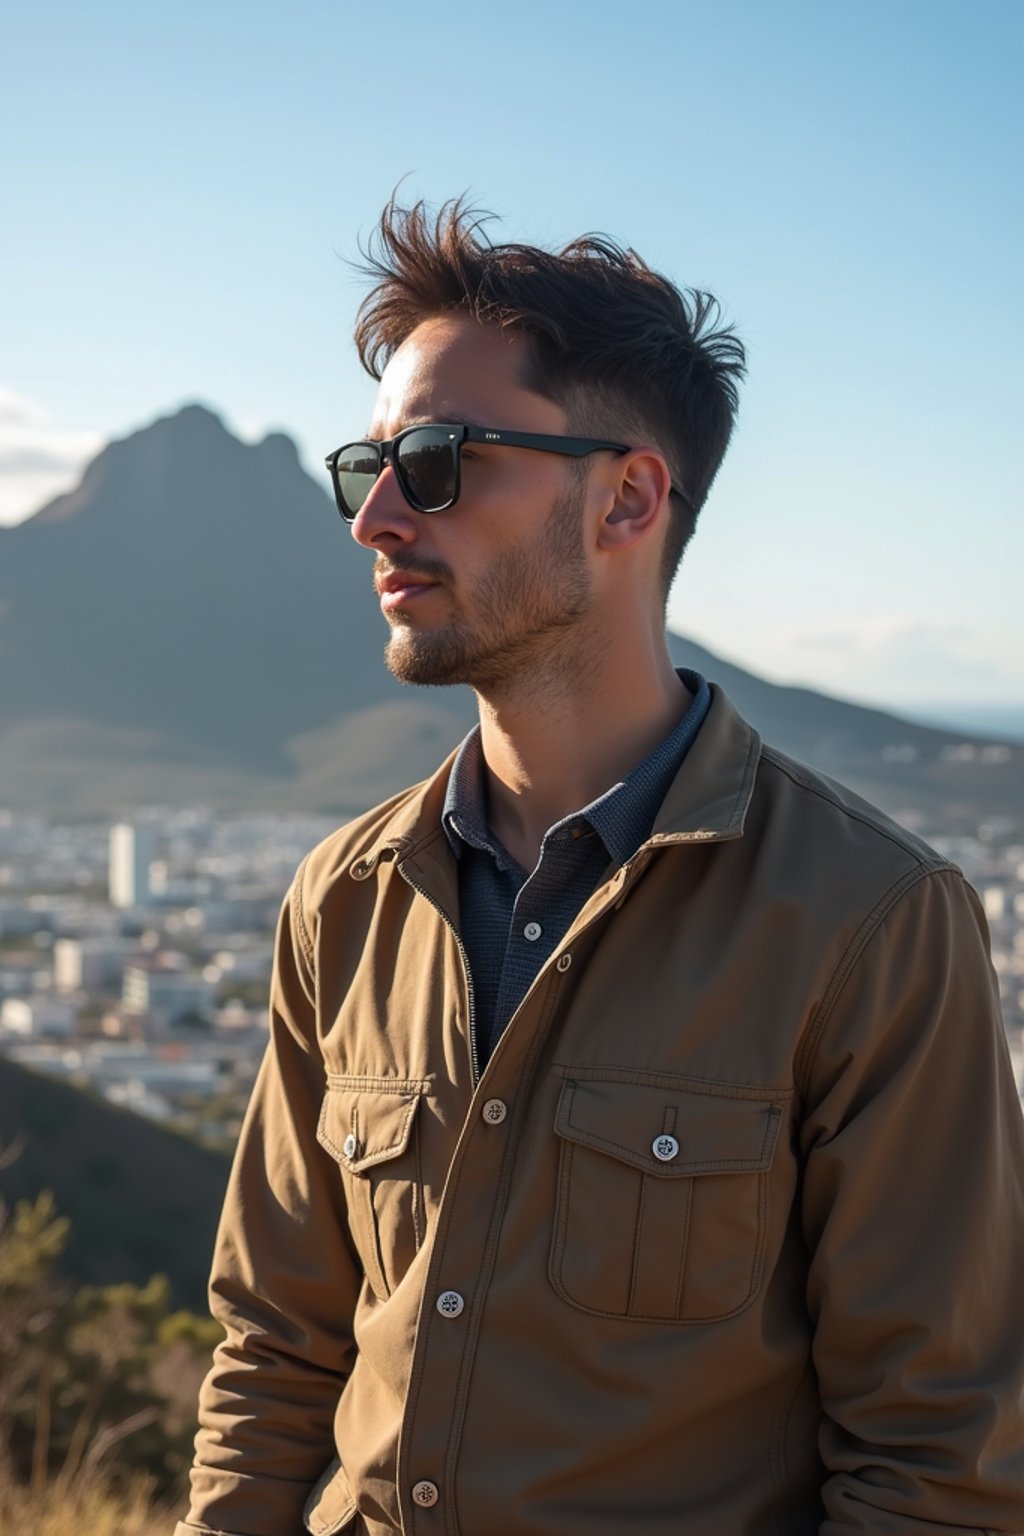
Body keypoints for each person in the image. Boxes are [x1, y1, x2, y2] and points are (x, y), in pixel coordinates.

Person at [176, 197, 1024, 1536]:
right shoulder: (343, 902)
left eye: (441, 460)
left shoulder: (869, 921)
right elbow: (276, 1356)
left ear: (627, 496)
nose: (376, 518)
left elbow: (935, 1457)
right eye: (370, 465)